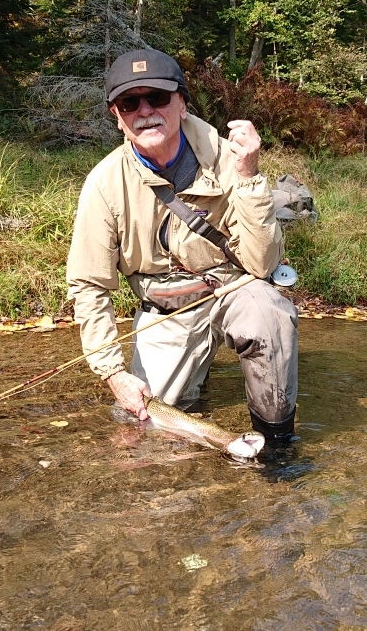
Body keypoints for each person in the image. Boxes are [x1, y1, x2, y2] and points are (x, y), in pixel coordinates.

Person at [66, 48, 298, 448]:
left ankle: (276, 446)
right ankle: (196, 380)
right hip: (166, 308)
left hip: (231, 289)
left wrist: (249, 178)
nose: (145, 111)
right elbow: (89, 287)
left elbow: (262, 264)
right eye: (129, 102)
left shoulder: (232, 159)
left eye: (157, 98)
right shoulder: (104, 183)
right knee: (141, 421)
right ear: (116, 116)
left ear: (182, 104)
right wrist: (112, 372)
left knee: (269, 313)